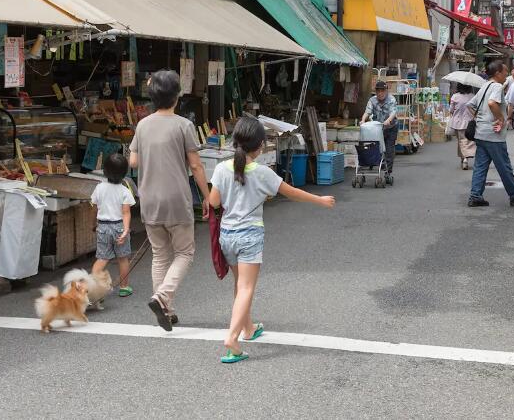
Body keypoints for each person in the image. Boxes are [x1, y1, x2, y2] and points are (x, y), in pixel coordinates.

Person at [207, 117, 336, 364]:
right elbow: (292, 192)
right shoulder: (263, 173)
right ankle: (232, 337)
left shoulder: (222, 169)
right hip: (249, 236)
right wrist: (320, 200)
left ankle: (248, 328)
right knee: (246, 288)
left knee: (239, 285)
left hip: (227, 236)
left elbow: (213, 202)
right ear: (259, 147)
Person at [129, 70, 210, 331]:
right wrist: (208, 197)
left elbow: (132, 161)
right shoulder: (183, 125)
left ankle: (166, 310)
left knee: (160, 255)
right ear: (177, 96)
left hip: (149, 199)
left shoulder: (142, 125)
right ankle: (162, 298)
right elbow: (196, 167)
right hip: (176, 199)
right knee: (185, 252)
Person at [466, 59, 514, 208]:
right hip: (493, 135)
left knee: (480, 166)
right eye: (504, 72)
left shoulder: (484, 86)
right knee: (504, 166)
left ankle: (475, 195)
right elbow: (492, 103)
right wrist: (500, 118)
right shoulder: (497, 86)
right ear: (497, 73)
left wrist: (480, 118)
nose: (507, 75)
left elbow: (470, 105)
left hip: (481, 133)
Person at [90, 153, 136, 298]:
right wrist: (126, 230)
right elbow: (126, 213)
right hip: (119, 227)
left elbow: (95, 206)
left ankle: (94, 291)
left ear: (105, 171)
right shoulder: (124, 191)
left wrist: (95, 223)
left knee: (102, 258)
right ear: (124, 173)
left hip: (103, 226)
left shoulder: (99, 188)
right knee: (123, 258)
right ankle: (124, 287)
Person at [360, 81, 398, 176]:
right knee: (375, 147)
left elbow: (393, 112)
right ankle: (375, 164)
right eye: (378, 91)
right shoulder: (372, 100)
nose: (380, 93)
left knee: (389, 149)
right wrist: (363, 120)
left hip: (391, 127)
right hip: (378, 128)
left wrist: (388, 120)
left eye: (382, 91)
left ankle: (388, 172)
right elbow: (367, 111)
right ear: (376, 92)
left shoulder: (391, 99)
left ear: (386, 91)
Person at [449, 83, 477, 170]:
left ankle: (464, 159)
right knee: (467, 141)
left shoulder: (455, 96)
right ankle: (464, 158)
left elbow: (451, 110)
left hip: (458, 123)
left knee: (461, 141)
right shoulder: (473, 96)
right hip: (470, 122)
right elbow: (476, 109)